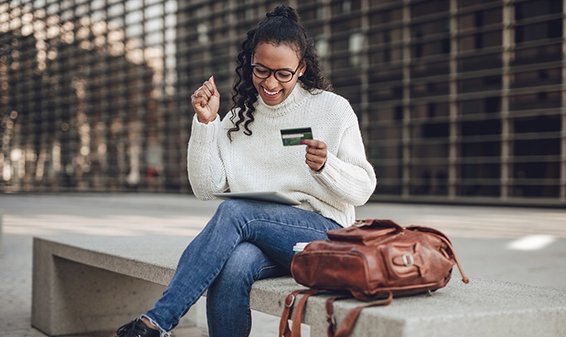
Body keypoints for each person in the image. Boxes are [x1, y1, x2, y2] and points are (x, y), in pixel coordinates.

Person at [115, 5, 376, 337]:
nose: (270, 83)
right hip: (262, 237)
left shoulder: (332, 109)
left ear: (301, 69)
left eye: (283, 73)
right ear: (250, 63)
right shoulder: (238, 119)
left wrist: (328, 166)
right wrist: (206, 124)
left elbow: (364, 188)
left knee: (236, 212)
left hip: (322, 235)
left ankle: (156, 322)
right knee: (233, 266)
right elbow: (205, 187)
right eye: (261, 70)